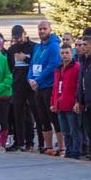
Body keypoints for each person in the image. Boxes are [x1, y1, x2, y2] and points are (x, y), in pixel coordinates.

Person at [29, 20, 62, 155]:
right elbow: (32, 64)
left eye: (44, 29)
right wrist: (30, 79)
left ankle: (62, 147)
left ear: (50, 30)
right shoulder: (37, 47)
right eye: (40, 29)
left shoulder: (54, 46)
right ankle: (48, 147)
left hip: (49, 86)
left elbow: (53, 65)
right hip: (38, 87)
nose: (42, 31)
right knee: (42, 118)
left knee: (53, 117)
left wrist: (38, 80)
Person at [6, 25, 36, 152]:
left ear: (25, 34)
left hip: (30, 85)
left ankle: (30, 142)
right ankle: (19, 141)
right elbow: (10, 66)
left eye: (19, 37)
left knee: (29, 114)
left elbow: (36, 63)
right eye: (15, 38)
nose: (18, 40)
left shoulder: (33, 47)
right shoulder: (12, 49)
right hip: (17, 85)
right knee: (17, 114)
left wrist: (25, 58)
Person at [50, 44, 81, 157]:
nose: (65, 55)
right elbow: (55, 87)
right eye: (62, 53)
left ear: (72, 53)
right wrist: (53, 103)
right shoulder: (58, 69)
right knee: (65, 131)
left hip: (71, 104)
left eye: (67, 53)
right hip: (60, 104)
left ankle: (76, 151)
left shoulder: (77, 67)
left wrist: (77, 101)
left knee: (74, 130)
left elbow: (79, 86)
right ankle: (68, 150)